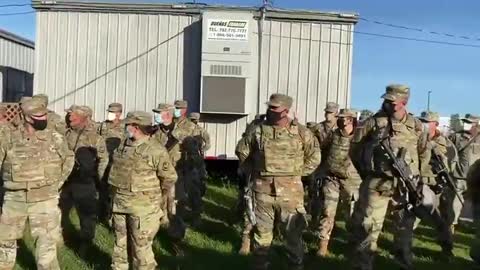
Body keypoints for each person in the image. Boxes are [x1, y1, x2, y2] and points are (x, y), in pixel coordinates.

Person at [349, 84, 431, 270]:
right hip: (377, 184)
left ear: (405, 101)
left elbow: (424, 153)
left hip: (406, 187)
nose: (391, 103)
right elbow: (355, 149)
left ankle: (404, 264)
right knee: (369, 229)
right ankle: (363, 266)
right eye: (388, 99)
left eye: (395, 100)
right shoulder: (374, 122)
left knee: (405, 230)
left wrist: (418, 178)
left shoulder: (416, 125)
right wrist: (367, 173)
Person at [236, 93, 321, 270]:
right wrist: (254, 172)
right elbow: (242, 151)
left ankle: (295, 266)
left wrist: (296, 175)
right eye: (269, 107)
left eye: (275, 108)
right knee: (262, 235)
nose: (270, 111)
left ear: (286, 111)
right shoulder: (258, 130)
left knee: (292, 236)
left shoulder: (301, 132)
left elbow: (315, 157)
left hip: (290, 194)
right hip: (262, 193)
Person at [0, 98, 74, 269]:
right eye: (37, 116)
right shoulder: (8, 136)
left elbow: (68, 159)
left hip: (45, 199)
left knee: (47, 244)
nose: (43, 119)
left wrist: (57, 183)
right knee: (5, 241)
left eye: (44, 115)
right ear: (26, 117)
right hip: (15, 198)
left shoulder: (54, 137)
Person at [108, 111, 177, 270]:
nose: (126, 127)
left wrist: (155, 199)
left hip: (143, 209)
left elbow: (169, 177)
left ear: (136, 127)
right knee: (120, 246)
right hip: (120, 205)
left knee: (141, 249)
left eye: (128, 125)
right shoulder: (123, 146)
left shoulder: (155, 150)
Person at [60, 105, 108, 253]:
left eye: (74, 115)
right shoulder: (66, 134)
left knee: (87, 214)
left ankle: (86, 243)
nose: (70, 117)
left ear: (84, 118)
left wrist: (100, 182)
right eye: (69, 115)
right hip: (66, 180)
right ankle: (61, 238)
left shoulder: (95, 138)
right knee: (60, 211)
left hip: (85, 182)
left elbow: (103, 159)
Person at [315, 108, 361, 257]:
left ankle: (354, 244)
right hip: (332, 179)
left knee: (353, 214)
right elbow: (323, 151)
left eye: (344, 118)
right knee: (328, 212)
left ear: (351, 119)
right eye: (339, 117)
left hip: (352, 182)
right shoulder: (333, 135)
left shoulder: (360, 138)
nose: (340, 120)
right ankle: (322, 246)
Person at [414, 111, 454, 255]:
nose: (423, 124)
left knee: (441, 221)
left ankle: (447, 249)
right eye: (422, 120)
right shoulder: (416, 137)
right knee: (410, 216)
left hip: (437, 185)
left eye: (427, 121)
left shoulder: (444, 142)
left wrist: (433, 148)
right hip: (419, 182)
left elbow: (447, 163)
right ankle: (402, 247)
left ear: (435, 124)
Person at [446, 113, 480, 235]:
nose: (467, 124)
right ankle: (452, 224)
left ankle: (473, 225)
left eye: (470, 122)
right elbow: (448, 152)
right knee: (455, 201)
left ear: (476, 124)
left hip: (476, 178)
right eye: (465, 121)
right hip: (460, 175)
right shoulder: (456, 136)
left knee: (475, 203)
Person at [309, 102, 339, 225]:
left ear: (336, 114)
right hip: (320, 165)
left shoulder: (339, 128)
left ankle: (332, 222)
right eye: (326, 112)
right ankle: (314, 220)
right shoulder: (318, 128)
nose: (328, 115)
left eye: (330, 112)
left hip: (335, 166)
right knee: (316, 193)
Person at [97, 102, 125, 223]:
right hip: (104, 162)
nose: (110, 114)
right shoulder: (103, 125)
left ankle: (114, 216)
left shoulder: (125, 126)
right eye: (109, 111)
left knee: (115, 190)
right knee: (102, 188)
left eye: (113, 112)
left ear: (119, 114)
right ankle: (102, 215)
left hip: (118, 163)